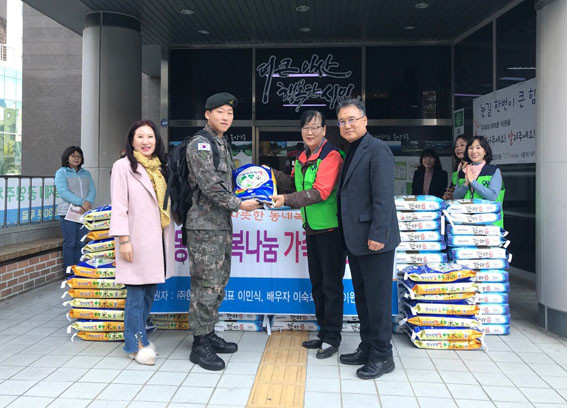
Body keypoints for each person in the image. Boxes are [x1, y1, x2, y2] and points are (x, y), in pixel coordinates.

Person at [185, 92, 262, 371]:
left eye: (229, 113)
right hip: (204, 227)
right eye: (220, 112)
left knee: (219, 281)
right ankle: (199, 344)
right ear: (207, 114)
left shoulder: (222, 143)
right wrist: (240, 204)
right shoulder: (200, 144)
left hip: (220, 224)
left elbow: (227, 184)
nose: (226, 117)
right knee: (206, 284)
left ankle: (208, 332)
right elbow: (209, 185)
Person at [270, 110, 346, 359]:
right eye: (306, 128)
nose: (310, 132)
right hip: (311, 229)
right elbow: (294, 184)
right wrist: (269, 175)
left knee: (331, 286)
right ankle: (324, 331)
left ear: (324, 130)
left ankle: (333, 337)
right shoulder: (303, 156)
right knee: (318, 285)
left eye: (315, 127)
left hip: (330, 230)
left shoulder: (332, 156)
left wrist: (286, 200)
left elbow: (320, 192)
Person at [335, 98, 400, 380]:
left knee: (377, 300)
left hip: (374, 241)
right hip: (356, 240)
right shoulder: (352, 150)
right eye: (342, 121)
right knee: (363, 298)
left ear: (364, 120)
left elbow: (384, 197)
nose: (347, 125)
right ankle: (368, 346)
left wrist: (378, 235)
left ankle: (383, 355)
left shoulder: (377, 149)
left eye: (352, 119)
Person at [109, 120, 171, 365]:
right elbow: (119, 206)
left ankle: (141, 338)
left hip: (156, 241)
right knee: (135, 296)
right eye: (140, 137)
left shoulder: (159, 167)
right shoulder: (123, 166)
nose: (146, 142)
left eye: (150, 136)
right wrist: (123, 240)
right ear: (132, 141)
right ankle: (135, 345)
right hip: (134, 240)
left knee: (148, 293)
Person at [54, 146, 96, 269]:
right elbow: (63, 192)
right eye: (73, 156)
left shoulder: (86, 173)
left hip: (84, 212)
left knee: (81, 242)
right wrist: (82, 203)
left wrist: (88, 202)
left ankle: (79, 270)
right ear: (67, 158)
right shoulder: (61, 173)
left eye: (79, 156)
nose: (76, 158)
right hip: (68, 212)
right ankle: (69, 271)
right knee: (70, 243)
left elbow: (92, 190)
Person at [453, 135, 505, 227]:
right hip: (468, 224)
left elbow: (492, 196)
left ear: (485, 151)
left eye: (478, 148)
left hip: (490, 225)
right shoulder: (463, 172)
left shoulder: (493, 171)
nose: (474, 151)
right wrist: (465, 184)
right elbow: (455, 197)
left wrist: (473, 182)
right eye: (470, 148)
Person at [443, 135, 470, 200]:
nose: (458, 149)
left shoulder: (474, 166)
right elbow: (453, 188)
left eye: (462, 145)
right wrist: (449, 195)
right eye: (456, 146)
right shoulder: (458, 167)